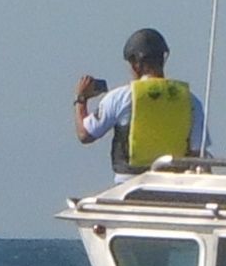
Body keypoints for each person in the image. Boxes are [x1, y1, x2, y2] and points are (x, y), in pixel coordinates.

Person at [72, 28, 204, 173]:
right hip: (173, 188)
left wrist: (81, 99)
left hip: (130, 186)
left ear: (135, 63)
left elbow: (85, 134)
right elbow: (196, 153)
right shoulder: (190, 101)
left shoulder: (120, 98)